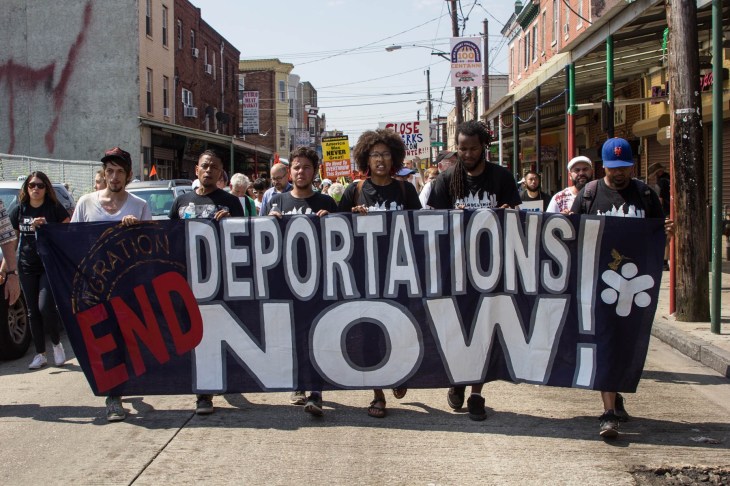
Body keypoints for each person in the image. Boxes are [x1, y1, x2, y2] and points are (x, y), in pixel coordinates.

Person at [571, 137, 674, 439]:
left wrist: (666, 235)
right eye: (614, 167)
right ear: (603, 166)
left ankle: (615, 395)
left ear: (632, 165)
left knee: (625, 344)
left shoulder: (645, 195)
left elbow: (657, 237)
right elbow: (570, 234)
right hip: (597, 284)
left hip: (634, 288)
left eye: (624, 167)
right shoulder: (590, 195)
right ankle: (608, 412)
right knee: (605, 343)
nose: (619, 173)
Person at [427, 120, 521, 421]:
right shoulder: (446, 180)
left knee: (485, 331)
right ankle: (458, 379)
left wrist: (508, 214)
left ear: (484, 148)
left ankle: (477, 393)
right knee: (458, 329)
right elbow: (431, 224)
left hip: (492, 269)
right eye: (462, 149)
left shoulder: (501, 177)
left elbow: (518, 218)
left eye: (472, 148)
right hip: (456, 270)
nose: (467, 154)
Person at [338, 128, 421, 418]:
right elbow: (336, 229)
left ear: (394, 157)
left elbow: (421, 227)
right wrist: (352, 217)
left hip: (399, 273)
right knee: (370, 333)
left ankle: (399, 373)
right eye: (375, 154)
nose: (380, 159)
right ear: (366, 158)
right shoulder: (355, 190)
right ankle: (377, 394)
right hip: (365, 274)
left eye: (385, 154)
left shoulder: (405, 190)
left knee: (400, 328)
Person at [71, 147, 152, 422]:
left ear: (128, 175)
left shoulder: (139, 205)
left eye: (119, 171)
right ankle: (114, 396)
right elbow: (71, 239)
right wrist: (44, 229)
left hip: (126, 285)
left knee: (125, 339)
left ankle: (120, 391)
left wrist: (136, 230)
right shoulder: (86, 203)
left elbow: (151, 247)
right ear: (103, 174)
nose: (114, 177)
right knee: (103, 340)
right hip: (94, 286)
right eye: (109, 171)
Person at [169, 150, 244, 415]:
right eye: (205, 166)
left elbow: (244, 238)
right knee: (192, 334)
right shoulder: (181, 201)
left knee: (212, 334)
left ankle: (205, 393)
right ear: (197, 170)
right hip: (187, 280)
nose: (209, 170)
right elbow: (168, 238)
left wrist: (231, 224)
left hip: (218, 281)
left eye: (214, 166)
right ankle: (204, 385)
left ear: (221, 172)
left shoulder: (231, 202)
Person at [264, 147, 338, 417]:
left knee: (318, 335)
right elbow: (263, 242)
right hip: (286, 281)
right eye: (296, 167)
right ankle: (298, 385)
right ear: (289, 171)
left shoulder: (327, 203)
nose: (300, 172)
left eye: (306, 167)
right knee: (293, 336)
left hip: (319, 281)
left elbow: (342, 240)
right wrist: (268, 223)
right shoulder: (276, 202)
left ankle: (316, 390)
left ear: (314, 172)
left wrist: (332, 222)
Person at [7, 172, 70, 369]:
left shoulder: (53, 208)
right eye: (32, 185)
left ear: (46, 188)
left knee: (45, 307)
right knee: (32, 311)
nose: (36, 189)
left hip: (47, 265)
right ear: (26, 188)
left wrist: (46, 226)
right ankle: (40, 354)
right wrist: (6, 269)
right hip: (26, 265)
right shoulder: (19, 209)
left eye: (40, 185)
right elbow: (12, 241)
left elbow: (67, 229)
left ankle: (56, 345)